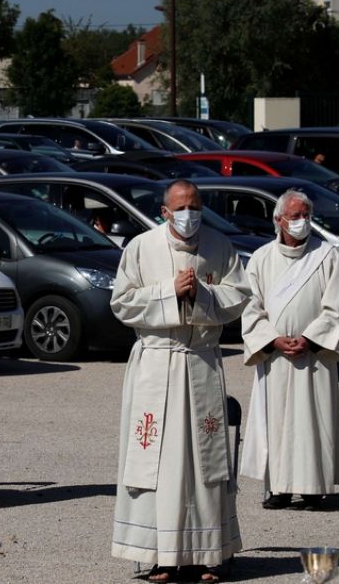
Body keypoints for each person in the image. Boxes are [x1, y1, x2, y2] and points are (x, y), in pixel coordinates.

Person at [109, 179, 250, 583]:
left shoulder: (220, 245)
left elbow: (240, 295)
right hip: (158, 362)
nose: (190, 214)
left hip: (201, 360)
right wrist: (168, 292)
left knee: (204, 463)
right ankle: (160, 556)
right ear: (165, 211)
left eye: (195, 206)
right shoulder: (141, 247)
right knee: (158, 463)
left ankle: (206, 554)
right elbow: (121, 302)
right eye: (182, 207)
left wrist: (202, 295)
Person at [240, 189, 339, 511]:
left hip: (313, 355)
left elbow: (336, 307)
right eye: (295, 216)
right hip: (275, 356)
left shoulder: (325, 255)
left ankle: (313, 489)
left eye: (306, 215)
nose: (302, 221)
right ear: (279, 220)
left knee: (312, 421)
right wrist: (272, 339)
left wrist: (310, 339)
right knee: (277, 422)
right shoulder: (261, 258)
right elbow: (251, 308)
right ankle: (279, 488)